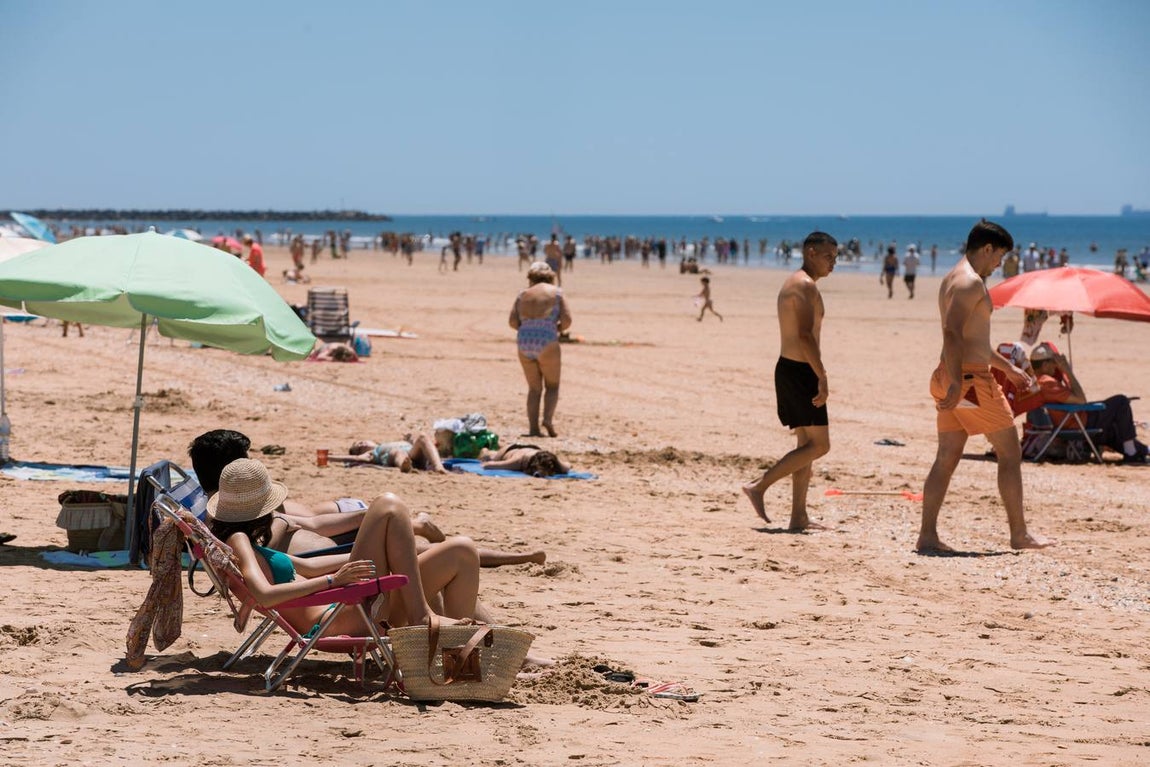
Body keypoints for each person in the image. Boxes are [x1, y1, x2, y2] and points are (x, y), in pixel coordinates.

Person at [188, 429, 546, 567]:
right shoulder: (238, 522)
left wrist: (370, 516)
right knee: (430, 553)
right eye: (246, 461)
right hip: (334, 563)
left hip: (330, 550)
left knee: (406, 530)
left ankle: (409, 524)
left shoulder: (238, 508)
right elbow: (288, 559)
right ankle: (508, 561)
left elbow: (310, 523)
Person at [207, 458, 478, 631]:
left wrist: (381, 555)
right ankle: (421, 617)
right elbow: (265, 594)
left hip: (347, 605)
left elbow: (308, 566)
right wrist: (332, 582)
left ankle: (460, 645)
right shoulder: (238, 541)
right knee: (388, 504)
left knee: (461, 550)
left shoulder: (248, 545)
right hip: (338, 616)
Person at [918, 220, 1054, 553]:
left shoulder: (953, 278)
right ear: (987, 248)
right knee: (1010, 451)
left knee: (947, 455)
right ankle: (1019, 534)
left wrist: (1008, 367)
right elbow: (952, 333)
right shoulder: (970, 283)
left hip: (951, 376)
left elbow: (973, 339)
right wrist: (956, 383)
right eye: (1000, 257)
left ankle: (928, 536)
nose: (1000, 264)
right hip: (967, 380)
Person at [742, 231, 838, 531]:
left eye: (835, 258)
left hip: (791, 368)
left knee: (806, 444)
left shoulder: (794, 282)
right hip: (800, 371)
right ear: (810, 253)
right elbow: (805, 336)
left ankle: (798, 516)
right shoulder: (805, 286)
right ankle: (759, 485)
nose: (832, 263)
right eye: (827, 257)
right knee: (820, 446)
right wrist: (821, 376)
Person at [1013, 342, 1147, 464]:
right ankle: (1131, 453)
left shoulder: (1035, 381)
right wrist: (1067, 371)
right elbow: (1081, 399)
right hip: (1077, 423)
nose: (1056, 365)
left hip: (1068, 421)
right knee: (1121, 401)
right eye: (1054, 362)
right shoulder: (1047, 382)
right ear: (1045, 365)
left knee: (1112, 432)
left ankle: (1139, 451)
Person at [509, 261, 572, 438]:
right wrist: (555, 329)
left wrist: (529, 327)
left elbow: (513, 322)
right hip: (547, 338)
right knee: (552, 385)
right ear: (550, 276)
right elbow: (567, 320)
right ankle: (547, 420)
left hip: (524, 340)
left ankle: (533, 429)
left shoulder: (522, 295)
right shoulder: (557, 293)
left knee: (534, 388)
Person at [331, 435, 448, 473]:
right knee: (397, 452)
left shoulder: (386, 443)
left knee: (422, 437)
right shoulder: (372, 453)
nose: (362, 445)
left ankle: (438, 467)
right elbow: (354, 458)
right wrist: (328, 457)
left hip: (414, 453)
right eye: (359, 448)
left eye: (361, 442)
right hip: (399, 456)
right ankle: (404, 465)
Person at [479, 443, 571, 477]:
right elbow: (487, 465)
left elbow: (567, 466)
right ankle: (486, 449)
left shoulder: (550, 458)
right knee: (489, 456)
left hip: (532, 448)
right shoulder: (517, 461)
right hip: (510, 450)